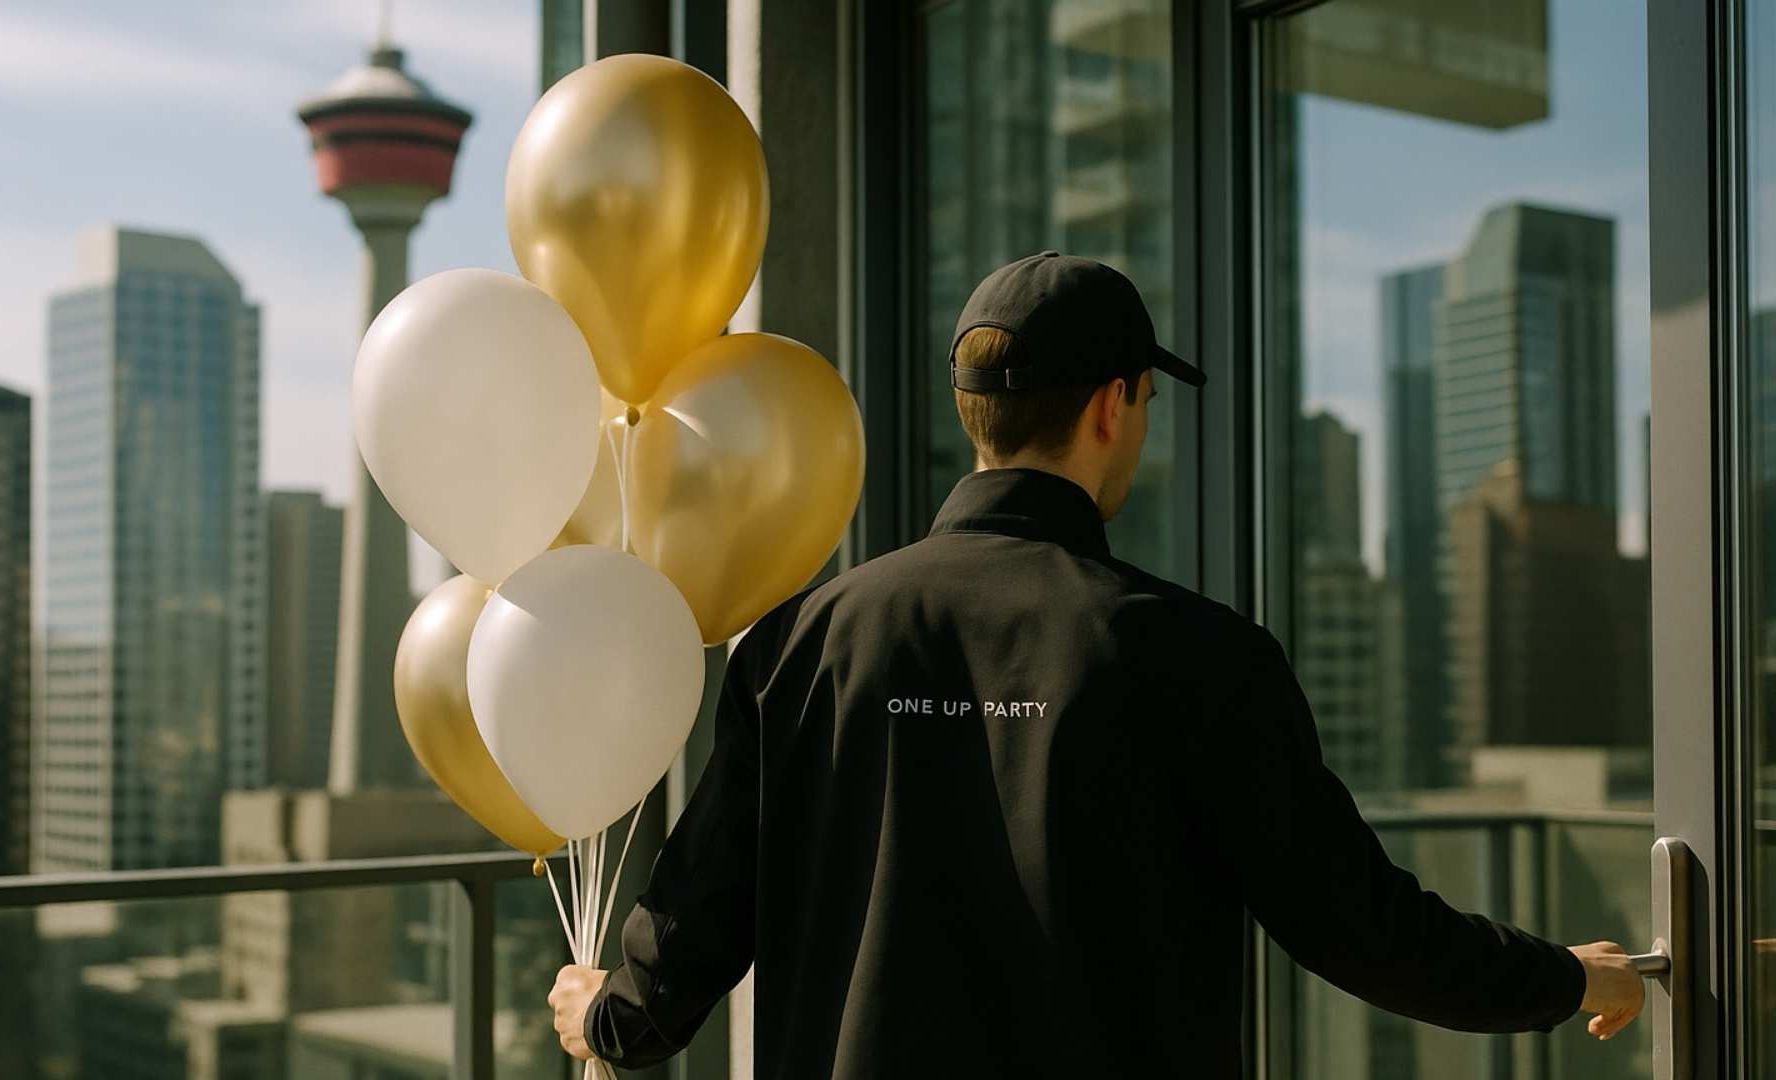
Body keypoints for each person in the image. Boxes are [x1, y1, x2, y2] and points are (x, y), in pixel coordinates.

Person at [549, 252, 1646, 1076]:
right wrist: (1564, 975)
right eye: (1149, 402)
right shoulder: (1198, 657)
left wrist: (605, 1012)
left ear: (973, 415)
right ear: (1115, 405)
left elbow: (690, 931)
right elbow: (1364, 928)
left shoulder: (802, 642)